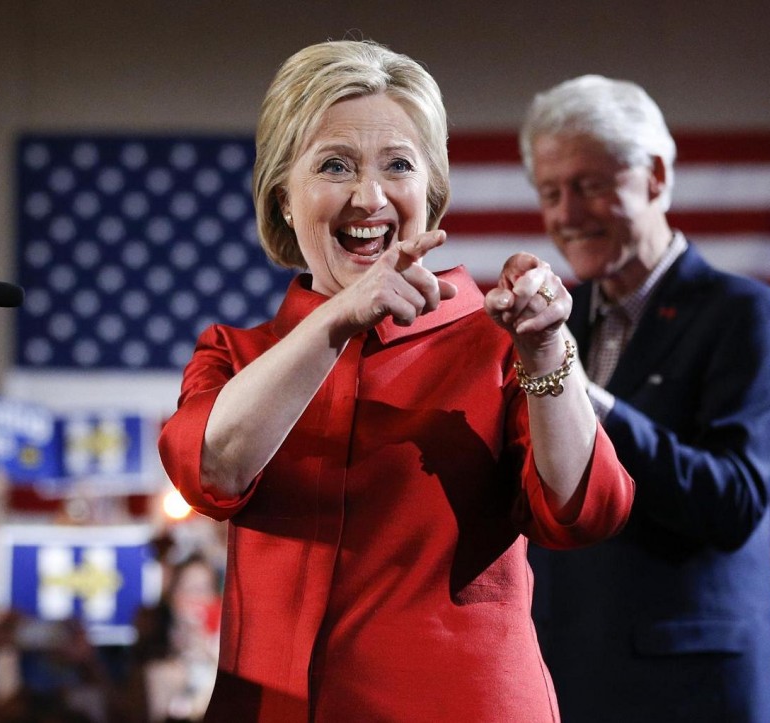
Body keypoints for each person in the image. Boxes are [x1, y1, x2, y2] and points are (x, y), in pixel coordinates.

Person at [157, 40, 634, 721]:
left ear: (431, 195)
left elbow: (586, 509)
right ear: (284, 198)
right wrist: (337, 321)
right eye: (334, 165)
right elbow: (210, 470)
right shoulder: (236, 355)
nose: (369, 195)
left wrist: (546, 347)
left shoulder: (496, 342)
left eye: (398, 165)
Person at [521, 75, 770, 722]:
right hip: (562, 677)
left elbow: (732, 500)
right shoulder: (551, 321)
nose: (566, 214)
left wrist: (583, 398)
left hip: (691, 690)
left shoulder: (748, 316)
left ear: (653, 176)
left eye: (589, 185)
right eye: (550, 193)